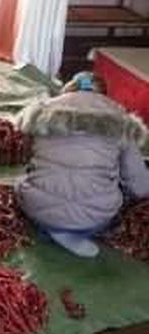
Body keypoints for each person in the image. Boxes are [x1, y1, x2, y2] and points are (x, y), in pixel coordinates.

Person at [16, 71, 149, 258]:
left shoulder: (42, 112)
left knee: (24, 180)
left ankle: (51, 228)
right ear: (103, 95)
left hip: (36, 209)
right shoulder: (122, 121)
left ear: (69, 88)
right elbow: (140, 187)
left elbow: (28, 157)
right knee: (122, 188)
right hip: (92, 220)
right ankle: (71, 232)